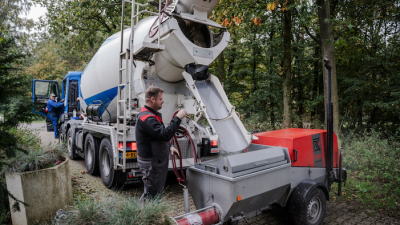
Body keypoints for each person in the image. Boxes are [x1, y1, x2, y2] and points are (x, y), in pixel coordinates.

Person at [135, 86, 188, 202]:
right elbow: (165, 134)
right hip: (152, 163)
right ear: (153, 100)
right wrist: (177, 118)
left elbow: (158, 135)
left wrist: (170, 146)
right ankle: (146, 216)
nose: (163, 101)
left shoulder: (152, 115)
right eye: (160, 99)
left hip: (156, 162)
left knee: (154, 191)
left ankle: (148, 212)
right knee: (151, 193)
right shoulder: (147, 118)